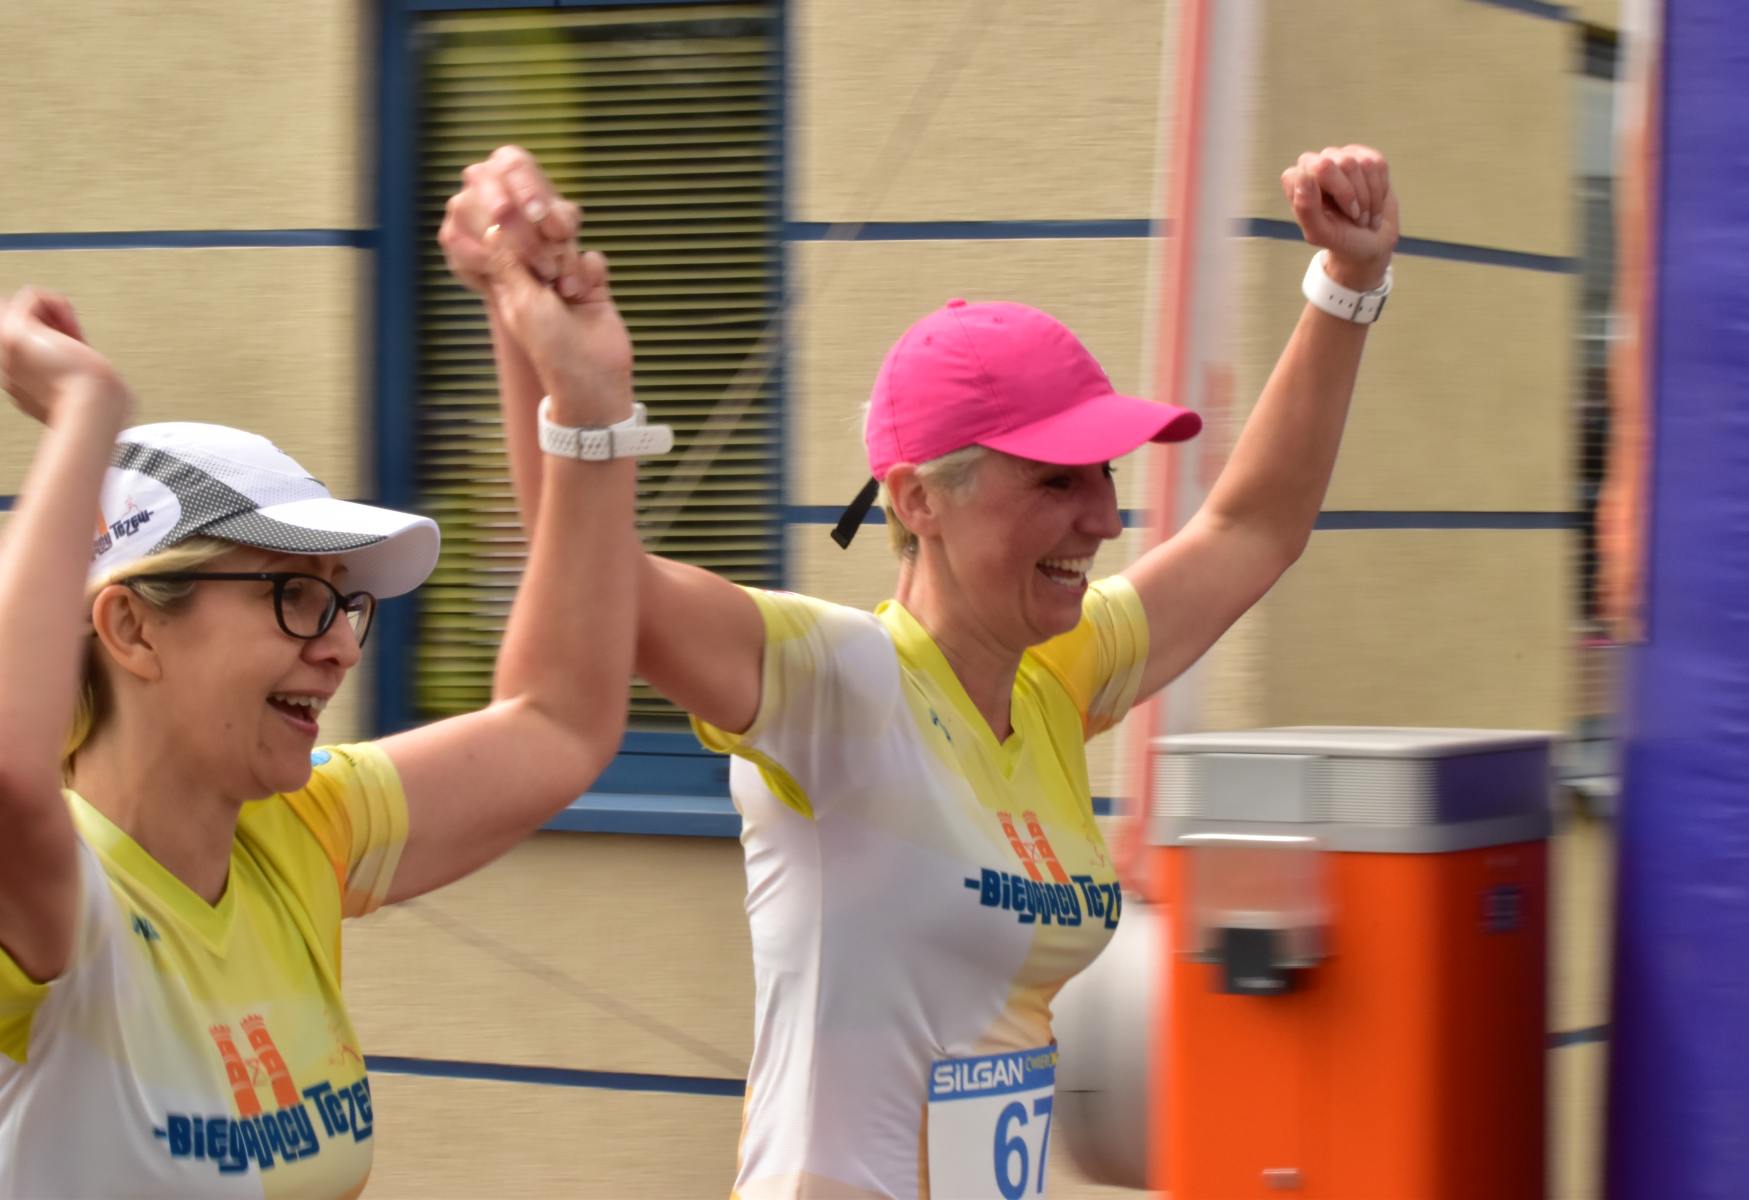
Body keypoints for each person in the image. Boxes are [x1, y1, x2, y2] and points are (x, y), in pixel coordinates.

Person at [444, 142, 1397, 1199]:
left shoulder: (1056, 675)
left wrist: (1347, 281)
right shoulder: (843, 687)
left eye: (1104, 472)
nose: (1104, 517)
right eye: (1055, 481)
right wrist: (535, 339)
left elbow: (1251, 529)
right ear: (916, 500)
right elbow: (595, 582)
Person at [0, 226, 654, 1198]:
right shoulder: (59, 895)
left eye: (344, 601)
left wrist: (588, 407)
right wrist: (85, 410)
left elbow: (561, 722)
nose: (343, 645)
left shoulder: (297, 829)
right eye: (293, 594)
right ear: (131, 628)